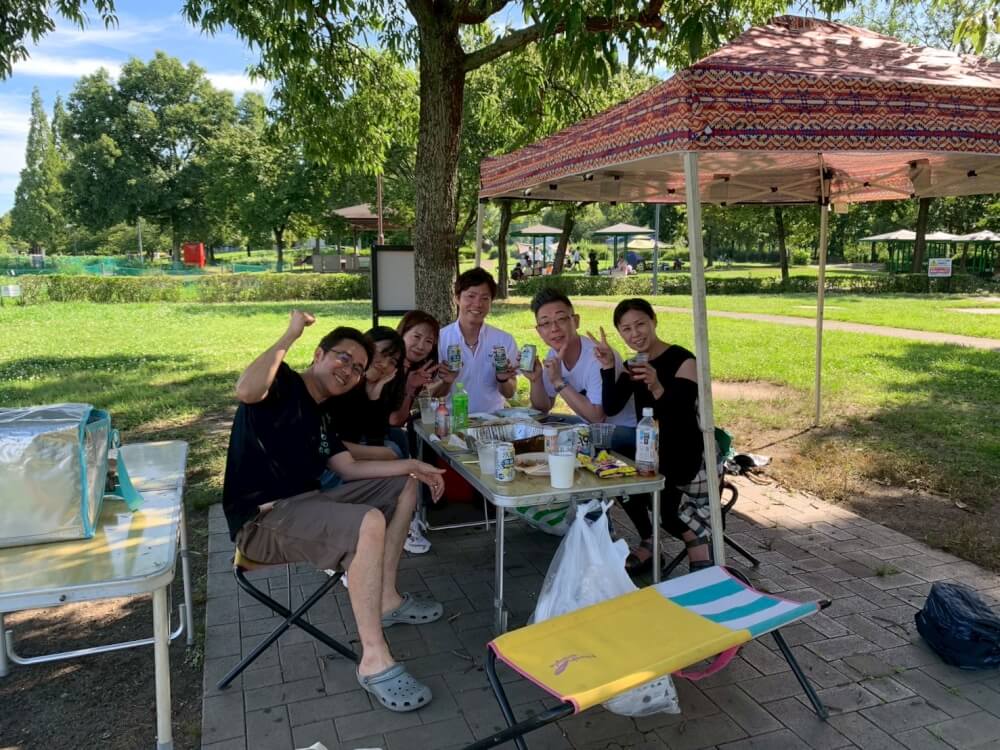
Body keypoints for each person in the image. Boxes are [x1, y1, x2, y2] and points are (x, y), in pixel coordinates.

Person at [222, 310, 447, 712]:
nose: (350, 370)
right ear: (319, 355)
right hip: (262, 520)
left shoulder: (322, 414)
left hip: (308, 505)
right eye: (343, 358)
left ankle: (387, 599)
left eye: (358, 368)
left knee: (404, 486)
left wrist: (413, 465)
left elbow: (348, 468)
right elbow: (245, 390)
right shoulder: (282, 383)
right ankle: (374, 659)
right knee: (367, 521)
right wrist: (289, 334)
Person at [589, 298, 712, 573]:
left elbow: (681, 418)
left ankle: (697, 547)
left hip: (682, 449)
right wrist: (608, 367)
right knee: (613, 470)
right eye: (626, 329)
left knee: (665, 507)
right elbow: (611, 407)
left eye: (640, 324)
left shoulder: (683, 360)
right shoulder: (634, 364)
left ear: (654, 320)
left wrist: (656, 385)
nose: (635, 334)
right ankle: (649, 539)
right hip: (649, 446)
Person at [524, 287, 636, 435]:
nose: (554, 328)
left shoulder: (598, 357)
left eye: (561, 319)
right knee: (539, 426)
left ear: (576, 321)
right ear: (539, 331)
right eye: (545, 323)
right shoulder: (554, 354)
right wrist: (536, 380)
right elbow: (543, 407)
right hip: (589, 429)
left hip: (622, 432)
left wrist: (558, 382)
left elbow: (597, 417)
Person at [438, 268, 518, 414]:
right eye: (471, 296)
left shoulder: (504, 340)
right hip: (450, 420)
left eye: (485, 298)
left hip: (492, 420)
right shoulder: (440, 339)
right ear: (457, 298)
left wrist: (503, 380)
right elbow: (430, 393)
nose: (477, 304)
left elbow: (510, 393)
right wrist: (446, 382)